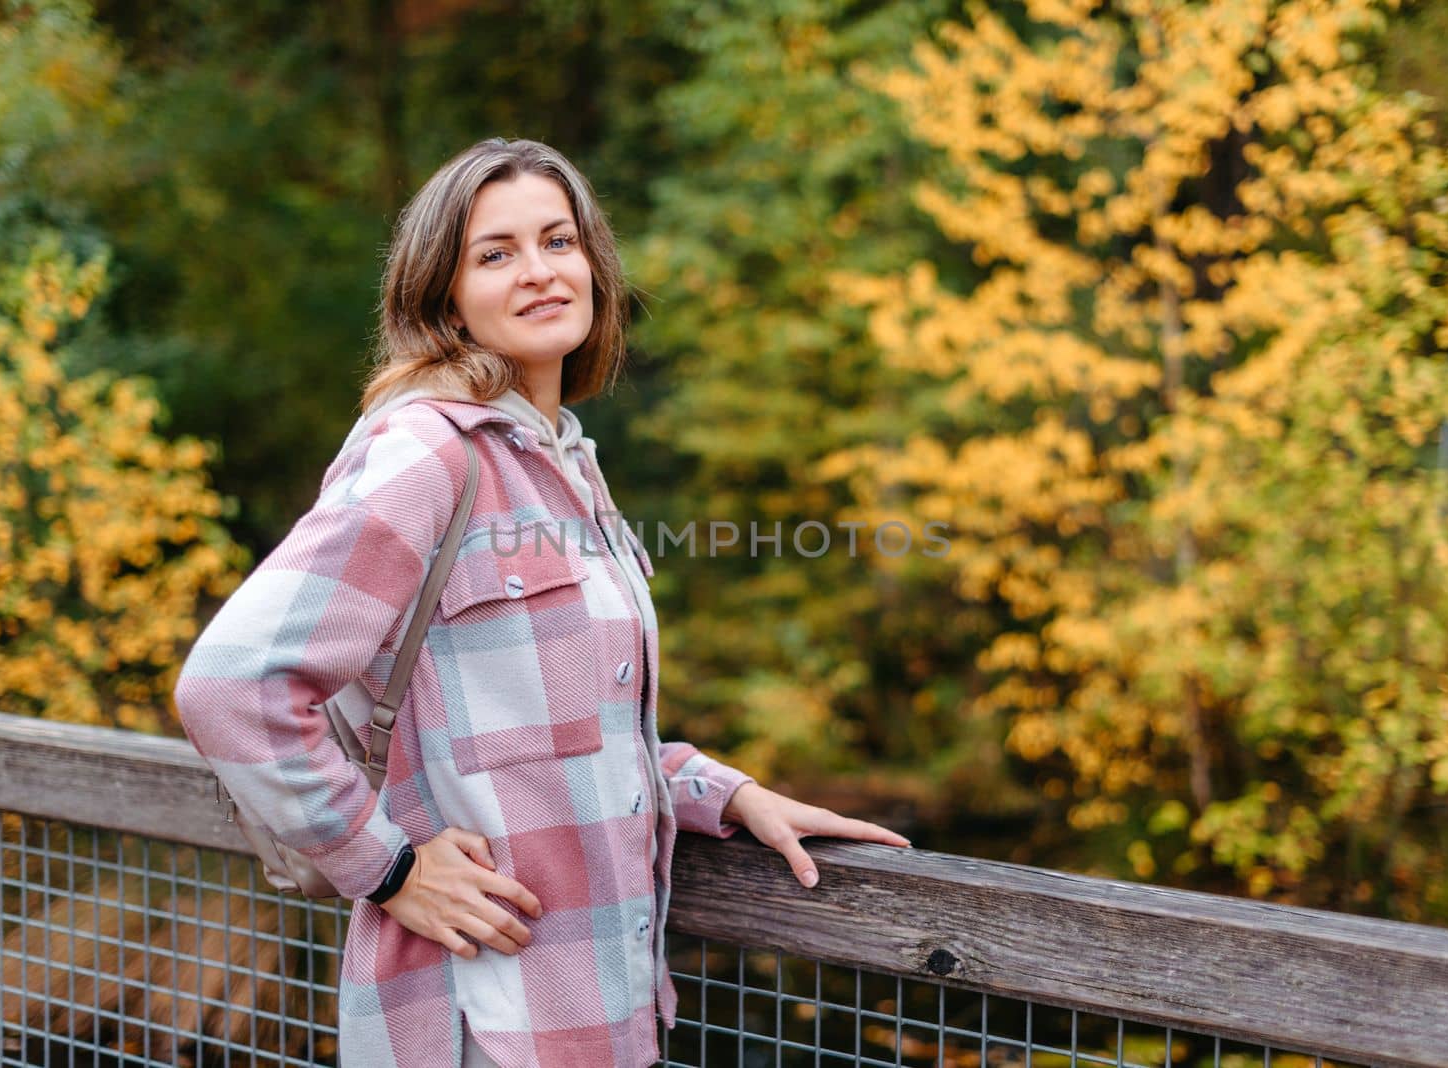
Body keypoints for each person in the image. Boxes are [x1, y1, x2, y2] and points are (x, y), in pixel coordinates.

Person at [173, 137, 910, 1068]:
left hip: (597, 1021)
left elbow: (556, 735)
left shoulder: (562, 464)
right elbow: (232, 683)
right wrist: (388, 868)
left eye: (558, 242)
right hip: (475, 1019)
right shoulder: (428, 454)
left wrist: (727, 795)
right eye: (496, 253)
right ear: (442, 295)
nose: (538, 272)